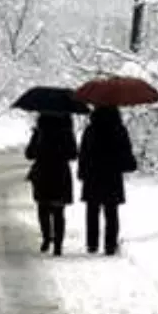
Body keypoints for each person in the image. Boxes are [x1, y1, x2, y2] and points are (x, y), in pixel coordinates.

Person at [78, 106, 137, 256]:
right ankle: (110, 244)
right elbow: (126, 152)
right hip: (112, 176)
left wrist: (82, 172)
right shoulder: (119, 129)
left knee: (92, 211)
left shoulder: (90, 130)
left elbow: (83, 153)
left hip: (92, 175)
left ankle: (92, 244)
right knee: (111, 212)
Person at [24, 113, 78, 256]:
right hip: (61, 173)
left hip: (42, 173)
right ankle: (58, 245)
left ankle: (47, 238)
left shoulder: (40, 130)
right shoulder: (67, 131)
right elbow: (73, 154)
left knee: (43, 208)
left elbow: (29, 154)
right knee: (59, 211)